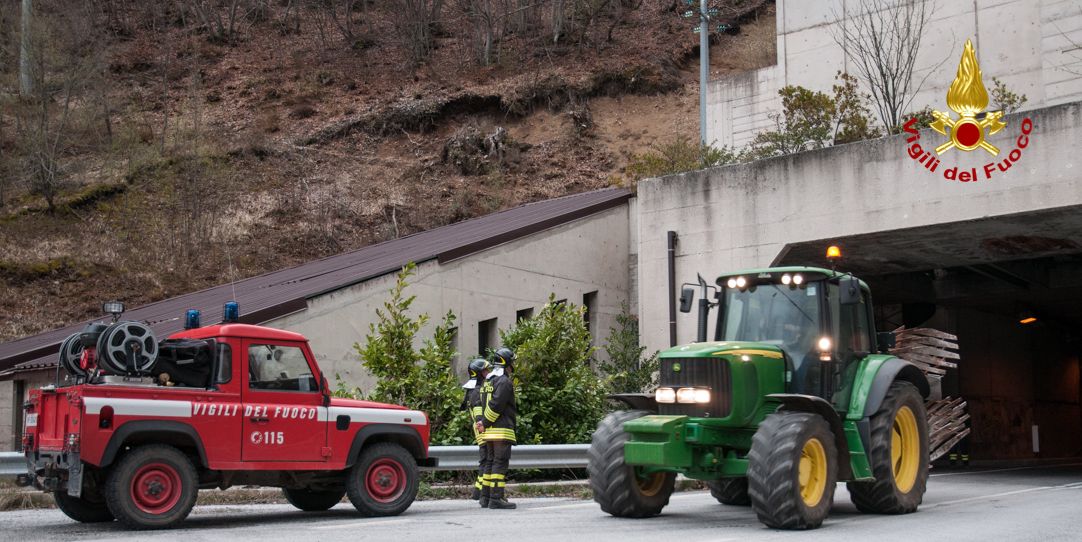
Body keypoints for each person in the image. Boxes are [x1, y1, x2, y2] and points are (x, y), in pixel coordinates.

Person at [479, 347, 518, 510]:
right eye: (512, 361)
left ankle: (486, 497)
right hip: (500, 430)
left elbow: (484, 403)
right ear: (506, 362)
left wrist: (483, 423)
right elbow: (496, 405)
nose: (513, 364)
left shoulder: (489, 380)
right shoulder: (504, 381)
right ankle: (496, 498)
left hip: (489, 431)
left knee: (490, 462)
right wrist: (486, 422)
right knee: (499, 464)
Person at [461, 358, 492, 504]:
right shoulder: (476, 391)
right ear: (478, 373)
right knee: (485, 460)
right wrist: (483, 425)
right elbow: (479, 412)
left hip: (479, 427)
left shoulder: (474, 388)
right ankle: (479, 492)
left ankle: (478, 492)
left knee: (485, 460)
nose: (488, 372)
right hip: (481, 427)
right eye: (486, 370)